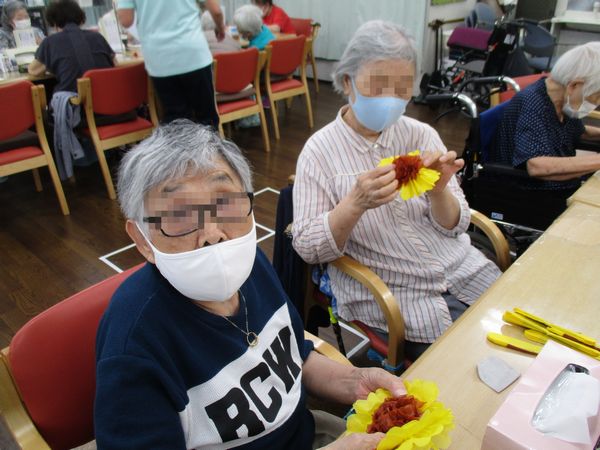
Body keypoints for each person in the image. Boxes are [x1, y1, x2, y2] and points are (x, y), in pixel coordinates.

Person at [94, 120, 405, 450]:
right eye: (179, 216)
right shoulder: (133, 349)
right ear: (142, 241)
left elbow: (293, 353)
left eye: (225, 204)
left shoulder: (250, 264)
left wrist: (354, 380)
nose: (213, 233)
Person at [292, 21, 501, 362]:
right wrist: (355, 203)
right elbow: (306, 246)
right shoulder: (319, 152)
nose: (391, 99)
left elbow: (456, 224)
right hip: (398, 292)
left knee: (511, 337)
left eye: (402, 87)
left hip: (464, 269)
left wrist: (439, 191)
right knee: (466, 363)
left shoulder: (421, 134)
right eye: (378, 85)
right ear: (347, 82)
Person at [489, 42, 600, 213]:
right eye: (597, 96)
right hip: (531, 194)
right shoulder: (534, 104)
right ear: (574, 85)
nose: (597, 103)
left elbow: (581, 133)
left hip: (562, 186)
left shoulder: (561, 99)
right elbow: (537, 165)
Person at [28, 0, 115, 181]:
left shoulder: (50, 42)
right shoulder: (97, 37)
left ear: (52, 22)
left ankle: (65, 169)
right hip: (110, 106)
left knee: (42, 115)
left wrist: (56, 65)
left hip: (78, 110)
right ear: (81, 18)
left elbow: (34, 71)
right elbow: (115, 64)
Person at [117, 0, 224, 126]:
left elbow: (126, 20)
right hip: (193, 53)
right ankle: (211, 145)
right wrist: (220, 27)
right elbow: (216, 11)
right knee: (207, 118)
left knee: (178, 121)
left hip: (159, 58)